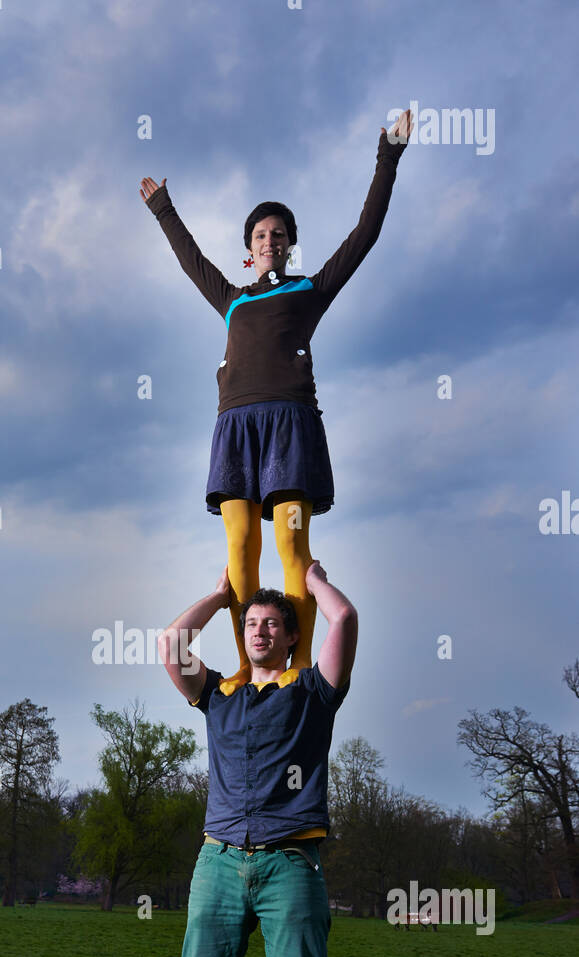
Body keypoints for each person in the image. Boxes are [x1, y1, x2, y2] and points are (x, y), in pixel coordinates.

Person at [139, 110, 412, 693]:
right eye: (261, 235)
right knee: (240, 542)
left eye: (279, 234)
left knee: (290, 542)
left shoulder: (308, 290)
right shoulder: (232, 299)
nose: (270, 240)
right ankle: (248, 663)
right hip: (235, 427)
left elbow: (365, 233)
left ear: (289, 246)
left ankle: (295, 663)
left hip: (289, 426)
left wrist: (388, 155)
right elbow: (190, 259)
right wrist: (163, 207)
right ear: (249, 251)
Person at [139, 560, 368, 957]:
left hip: (290, 867)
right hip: (216, 865)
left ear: (293, 635)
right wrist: (220, 597)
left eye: (273, 624)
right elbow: (170, 644)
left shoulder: (314, 693)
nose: (261, 631)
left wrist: (315, 576)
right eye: (252, 624)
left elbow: (345, 618)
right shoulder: (219, 694)